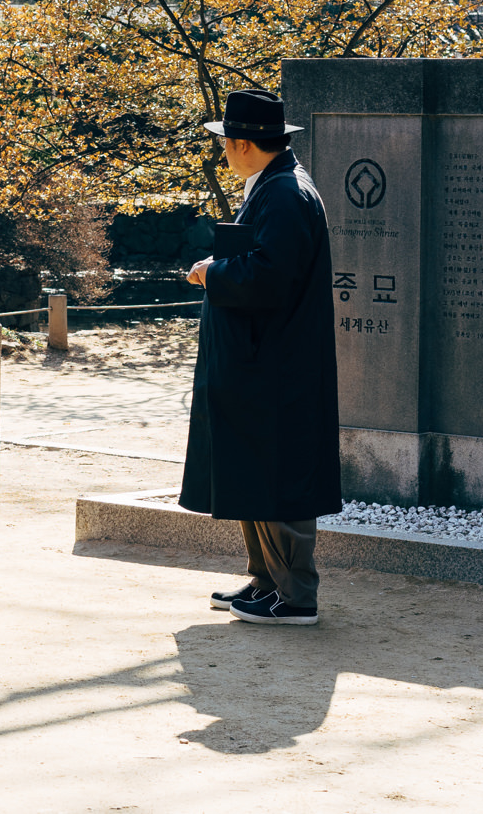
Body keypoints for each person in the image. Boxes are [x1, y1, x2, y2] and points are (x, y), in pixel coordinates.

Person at [180, 89, 341, 626]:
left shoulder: (286, 194)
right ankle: (268, 581)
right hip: (262, 359)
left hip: (276, 362)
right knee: (256, 469)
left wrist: (212, 273)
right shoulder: (274, 186)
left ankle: (295, 595)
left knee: (279, 474)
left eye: (226, 141)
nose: (222, 150)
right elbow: (263, 260)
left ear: (245, 144)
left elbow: (272, 276)